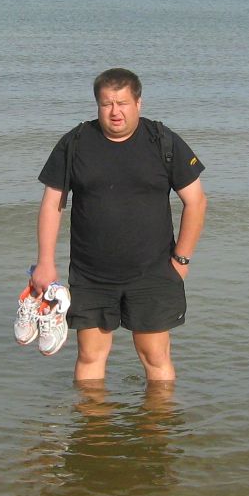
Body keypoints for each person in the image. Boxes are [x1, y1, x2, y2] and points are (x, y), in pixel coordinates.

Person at [32, 68, 206, 382]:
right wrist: (45, 262)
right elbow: (51, 204)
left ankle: (158, 415)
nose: (115, 112)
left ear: (138, 103)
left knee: (155, 357)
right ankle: (92, 416)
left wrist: (182, 259)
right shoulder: (76, 142)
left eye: (123, 103)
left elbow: (196, 201)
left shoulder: (163, 141)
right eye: (107, 104)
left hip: (153, 272)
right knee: (90, 356)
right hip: (91, 274)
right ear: (97, 105)